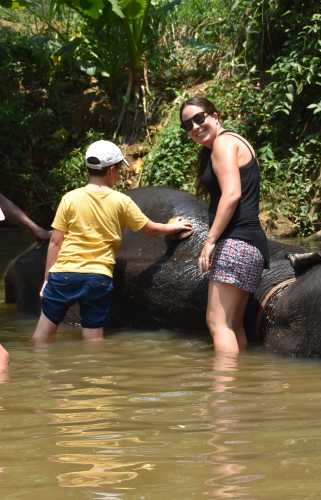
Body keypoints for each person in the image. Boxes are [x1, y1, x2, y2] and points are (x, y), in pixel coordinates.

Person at [32, 139, 193, 343]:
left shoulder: (69, 198)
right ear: (111, 170)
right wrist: (173, 227)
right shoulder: (121, 201)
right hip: (97, 276)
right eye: (118, 170)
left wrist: (47, 279)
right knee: (93, 338)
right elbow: (149, 228)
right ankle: (96, 373)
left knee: (42, 336)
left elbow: (55, 242)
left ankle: (41, 373)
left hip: (64, 273)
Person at [180, 96, 269, 354]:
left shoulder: (223, 143)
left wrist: (209, 242)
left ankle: (223, 393)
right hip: (251, 244)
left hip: (236, 242)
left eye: (199, 118)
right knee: (232, 325)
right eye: (188, 125)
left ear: (215, 115)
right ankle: (236, 388)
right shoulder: (237, 141)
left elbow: (232, 194)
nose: (195, 127)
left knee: (218, 324)